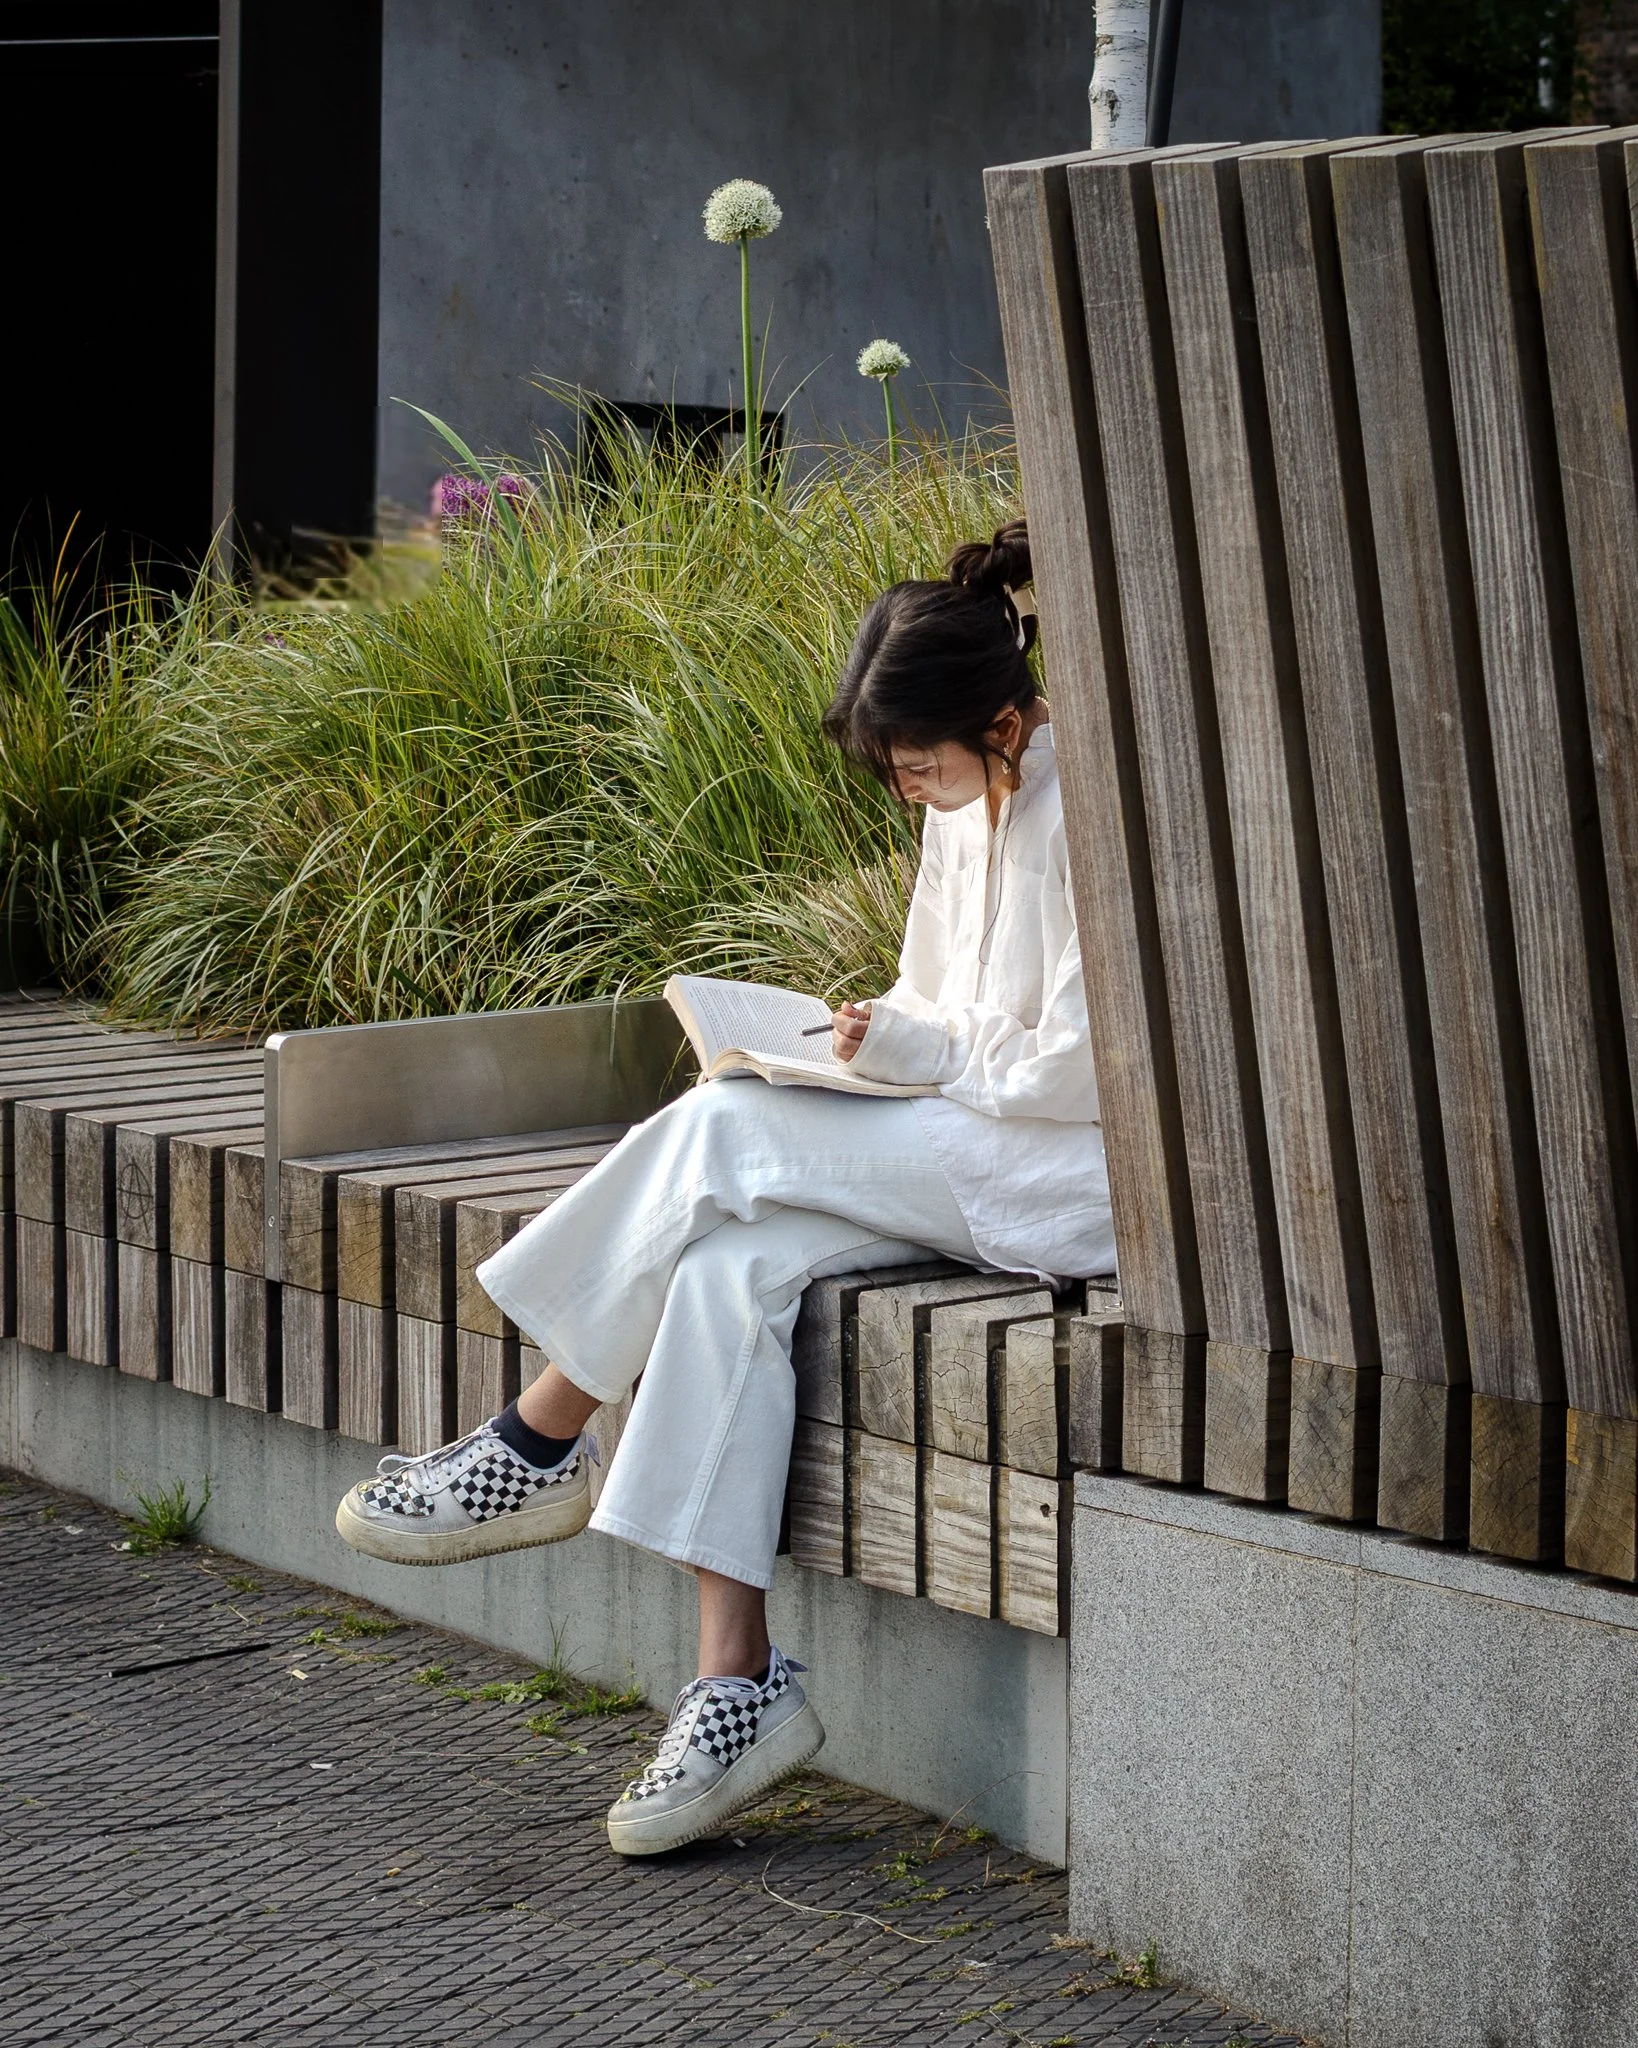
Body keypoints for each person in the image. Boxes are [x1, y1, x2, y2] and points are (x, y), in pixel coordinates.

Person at [333, 518, 1115, 1856]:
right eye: (895, 774)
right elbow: (937, 998)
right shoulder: (963, 804)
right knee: (719, 1265)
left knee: (723, 1130)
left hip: (1062, 1174)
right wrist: (876, 1037)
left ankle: (533, 1441)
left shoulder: (1090, 811)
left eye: (921, 765)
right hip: (955, 1133)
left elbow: (1076, 1066)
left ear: (1001, 718)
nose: (910, 793)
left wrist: (915, 1051)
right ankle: (735, 1684)